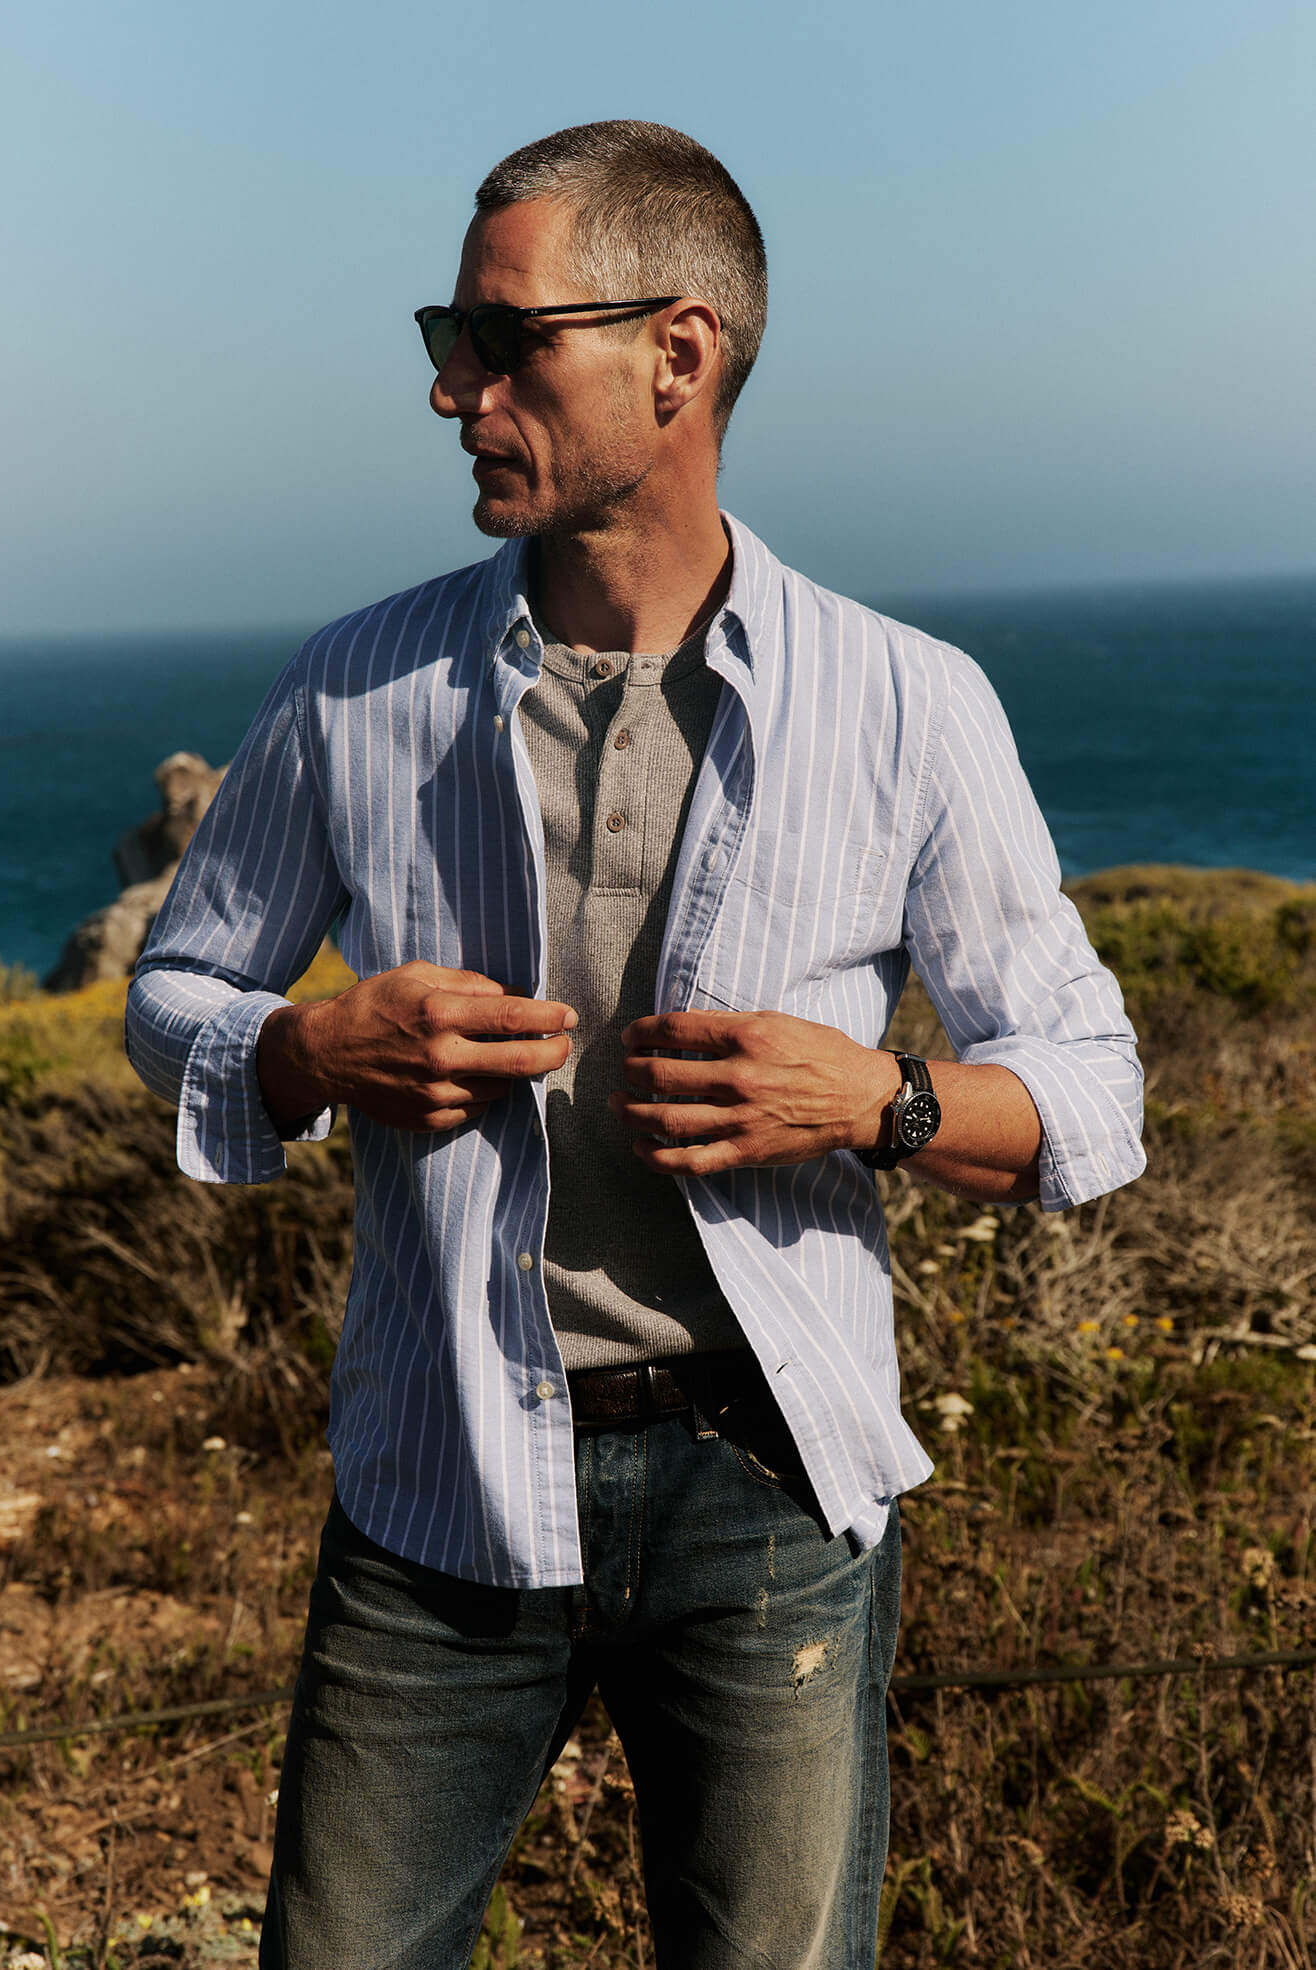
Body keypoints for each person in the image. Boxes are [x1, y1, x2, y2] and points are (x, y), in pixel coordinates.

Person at [126, 120, 1144, 1970]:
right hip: (438, 1483)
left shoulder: (910, 704)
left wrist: (878, 1098)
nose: (453, 387)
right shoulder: (350, 685)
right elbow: (178, 988)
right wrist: (309, 1046)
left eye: (501, 337)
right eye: (451, 338)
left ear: (677, 355)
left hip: (768, 1494)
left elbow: (1089, 1084)